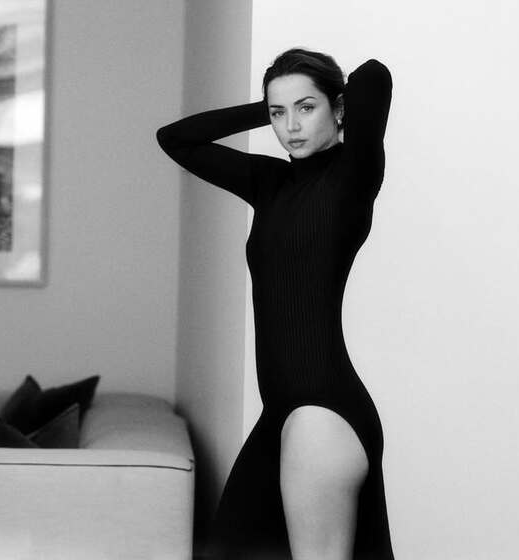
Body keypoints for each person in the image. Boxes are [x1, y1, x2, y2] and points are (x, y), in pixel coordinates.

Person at [157, 47, 394, 559]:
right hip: (282, 411)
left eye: (306, 108)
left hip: (322, 412)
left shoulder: (353, 176)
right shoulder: (269, 183)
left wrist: (326, 95)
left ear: (339, 108)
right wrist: (267, 106)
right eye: (278, 114)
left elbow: (375, 76)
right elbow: (175, 139)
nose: (291, 126)